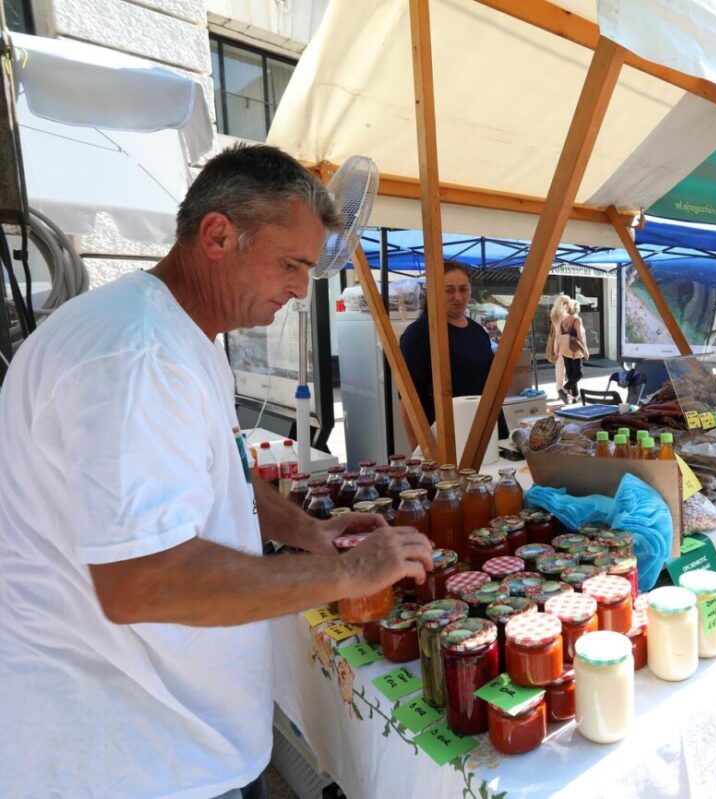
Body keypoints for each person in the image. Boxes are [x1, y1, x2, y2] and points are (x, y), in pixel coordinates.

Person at [0, 145, 434, 798]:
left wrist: (311, 530)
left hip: (174, 740)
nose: (298, 288)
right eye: (290, 264)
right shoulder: (139, 357)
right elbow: (141, 582)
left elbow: (225, 478)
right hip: (130, 762)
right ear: (218, 234)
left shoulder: (179, 337)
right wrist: (346, 571)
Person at [399, 261, 508, 443]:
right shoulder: (418, 335)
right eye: (449, 290)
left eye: (463, 289)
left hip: (488, 433)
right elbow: (408, 401)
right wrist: (421, 453)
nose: (458, 297)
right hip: (445, 439)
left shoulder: (478, 332)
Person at [558, 299, 590, 403]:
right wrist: (585, 350)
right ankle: (564, 389)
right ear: (577, 308)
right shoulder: (577, 320)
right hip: (575, 350)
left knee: (571, 374)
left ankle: (575, 396)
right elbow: (580, 336)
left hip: (565, 350)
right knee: (578, 374)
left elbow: (560, 336)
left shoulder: (563, 321)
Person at [545, 294, 571, 404]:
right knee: (571, 370)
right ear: (565, 305)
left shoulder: (554, 315)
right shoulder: (566, 316)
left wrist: (556, 350)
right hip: (566, 344)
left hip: (557, 343)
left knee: (559, 369)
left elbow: (556, 334)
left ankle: (559, 389)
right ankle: (567, 391)